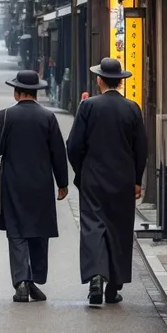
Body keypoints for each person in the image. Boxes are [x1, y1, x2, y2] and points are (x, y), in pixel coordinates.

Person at [67, 57, 148, 307]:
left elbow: (74, 145)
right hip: (123, 178)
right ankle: (113, 287)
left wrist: (81, 172)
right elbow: (141, 148)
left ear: (99, 80)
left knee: (93, 226)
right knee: (119, 229)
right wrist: (136, 179)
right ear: (120, 82)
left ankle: (95, 278)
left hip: (93, 176)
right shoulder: (132, 108)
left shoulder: (88, 106)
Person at [0, 70, 69, 303]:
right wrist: (62, 183)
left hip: (13, 183)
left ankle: (22, 282)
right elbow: (58, 153)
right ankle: (34, 278)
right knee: (38, 231)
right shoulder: (48, 117)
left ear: (16, 93)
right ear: (35, 93)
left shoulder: (6, 116)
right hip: (42, 184)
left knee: (16, 232)